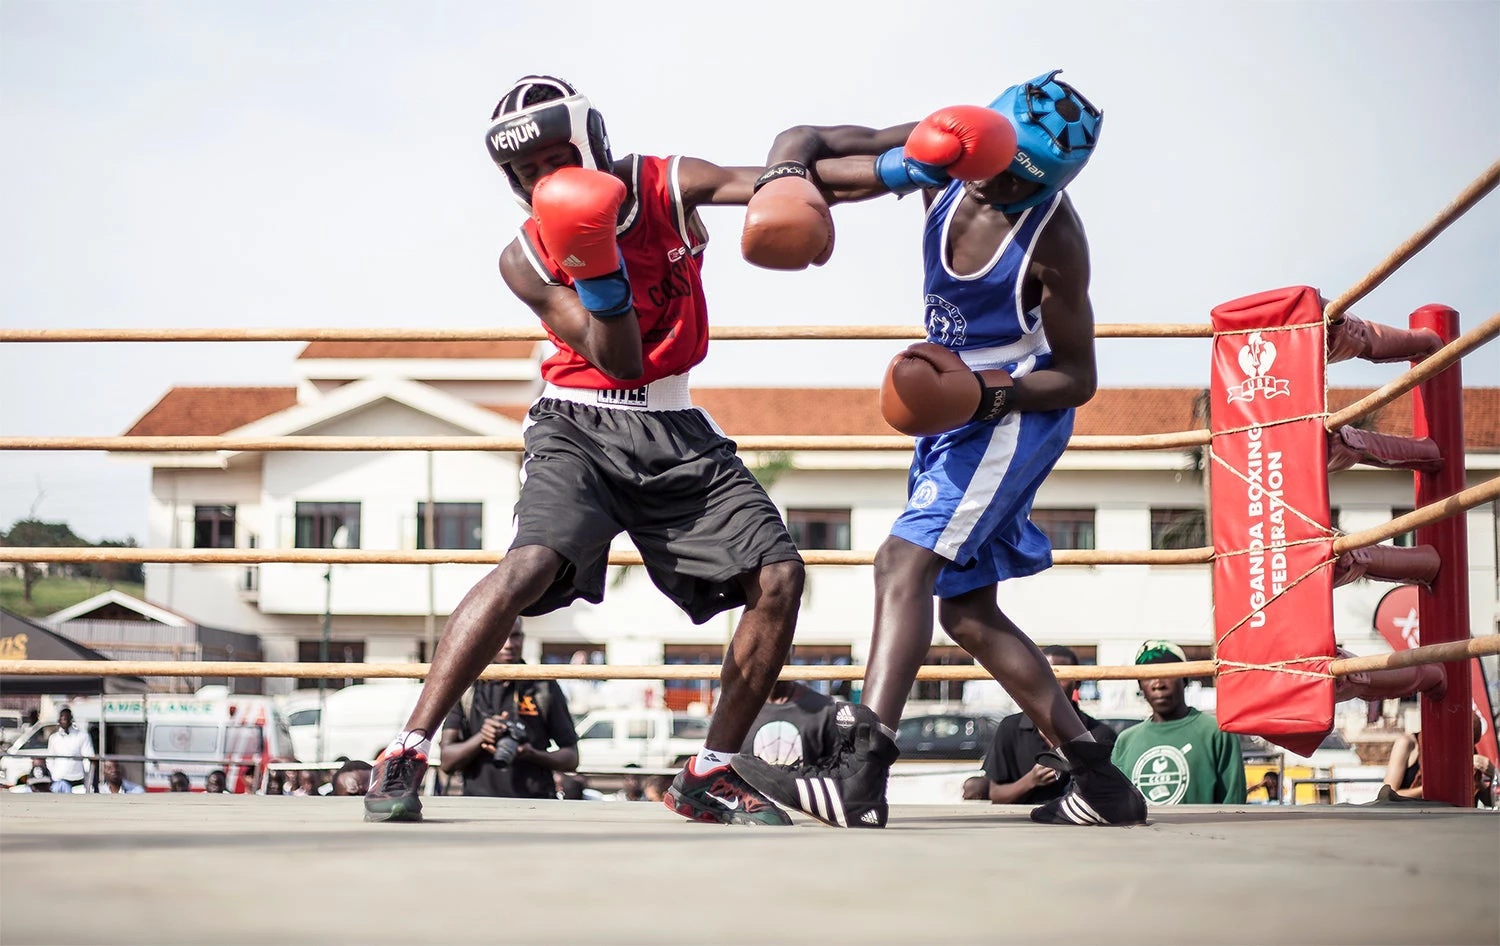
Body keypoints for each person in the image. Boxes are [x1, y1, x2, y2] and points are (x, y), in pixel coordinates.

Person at [365, 74, 808, 826]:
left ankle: (709, 772)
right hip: (578, 422)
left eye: (554, 158)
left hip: (676, 429)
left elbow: (763, 183)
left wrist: (898, 166)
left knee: (780, 577)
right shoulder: (525, 258)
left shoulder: (664, 184)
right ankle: (406, 748)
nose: (545, 179)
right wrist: (595, 260)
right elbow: (620, 358)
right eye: (527, 171)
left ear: (589, 142)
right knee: (531, 563)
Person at [730, 71, 1146, 828]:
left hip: (1012, 414)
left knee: (902, 562)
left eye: (1027, 184)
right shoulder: (946, 154)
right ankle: (1100, 780)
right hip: (954, 412)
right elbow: (821, 149)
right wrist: (786, 170)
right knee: (969, 613)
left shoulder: (1052, 235)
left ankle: (860, 771)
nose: (1006, 190)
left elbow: (1078, 377)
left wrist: (985, 392)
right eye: (1001, 172)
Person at [438, 620, 580, 800]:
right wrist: (482, 737)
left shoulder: (542, 685)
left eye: (515, 636)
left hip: (536, 804)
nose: (509, 645)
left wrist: (532, 754)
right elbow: (447, 760)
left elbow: (572, 758)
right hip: (478, 806)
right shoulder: (467, 688)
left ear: (523, 638)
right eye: (501, 636)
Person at [962, 646, 1117, 805]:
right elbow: (994, 794)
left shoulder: (1099, 734)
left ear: (1077, 683)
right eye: (1043, 675)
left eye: (1060, 676)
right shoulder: (1010, 728)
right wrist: (1030, 781)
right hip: (1022, 825)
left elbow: (1110, 795)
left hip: (1080, 827)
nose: (1051, 683)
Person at [1109, 641, 1246, 805]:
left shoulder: (1215, 732)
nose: (1158, 684)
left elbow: (1233, 804)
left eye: (1168, 674)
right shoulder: (1126, 741)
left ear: (1185, 679)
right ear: (1140, 685)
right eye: (1148, 677)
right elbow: (1116, 805)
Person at [740, 675, 841, 768]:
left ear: (791, 654)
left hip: (801, 785)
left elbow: (834, 767)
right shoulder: (736, 710)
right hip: (750, 785)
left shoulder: (825, 709)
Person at [45, 707, 94, 793]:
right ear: (59, 720)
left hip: (77, 780)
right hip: (59, 780)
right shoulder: (53, 738)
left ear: (71, 719)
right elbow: (50, 758)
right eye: (62, 718)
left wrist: (87, 778)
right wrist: (54, 774)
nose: (64, 721)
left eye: (67, 718)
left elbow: (88, 759)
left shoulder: (82, 736)